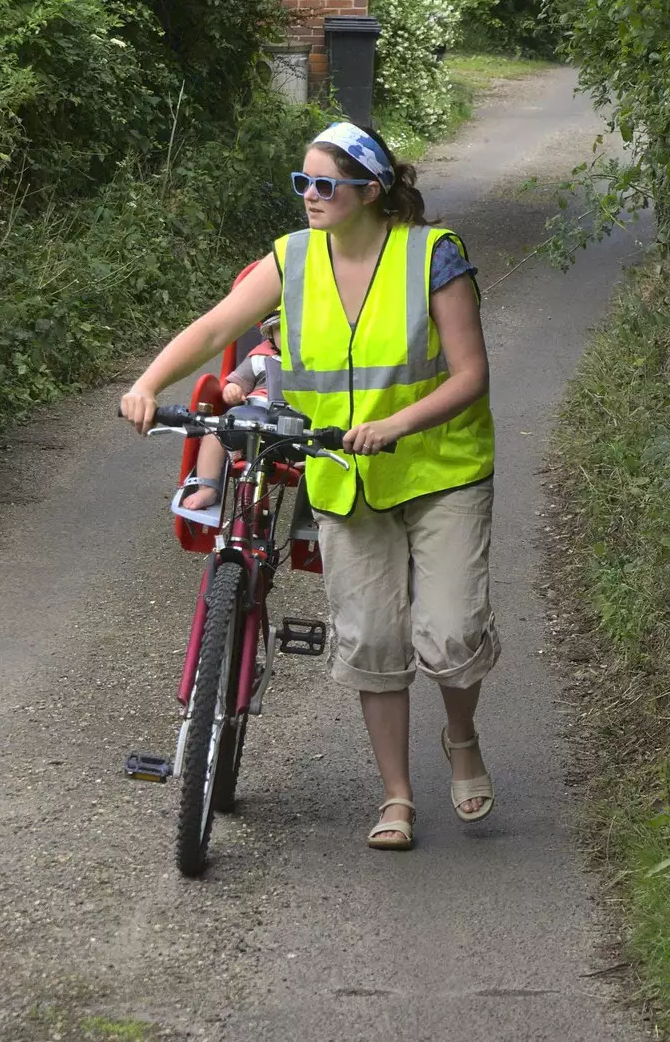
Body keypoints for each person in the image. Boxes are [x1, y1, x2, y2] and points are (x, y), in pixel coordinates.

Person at [120, 122, 497, 851]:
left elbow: (471, 374)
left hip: (441, 469)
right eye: (303, 183)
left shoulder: (432, 255)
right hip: (343, 474)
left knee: (450, 633)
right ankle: (396, 797)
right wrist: (145, 383)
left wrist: (398, 424)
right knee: (372, 639)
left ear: (371, 188)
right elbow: (211, 331)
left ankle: (462, 736)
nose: (311, 197)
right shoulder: (292, 259)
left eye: (326, 183)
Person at [180, 320, 281, 510]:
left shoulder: (317, 361)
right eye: (281, 329)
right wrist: (233, 390)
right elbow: (237, 382)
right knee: (215, 433)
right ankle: (207, 488)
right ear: (271, 333)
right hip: (253, 417)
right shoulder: (260, 357)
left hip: (294, 425)